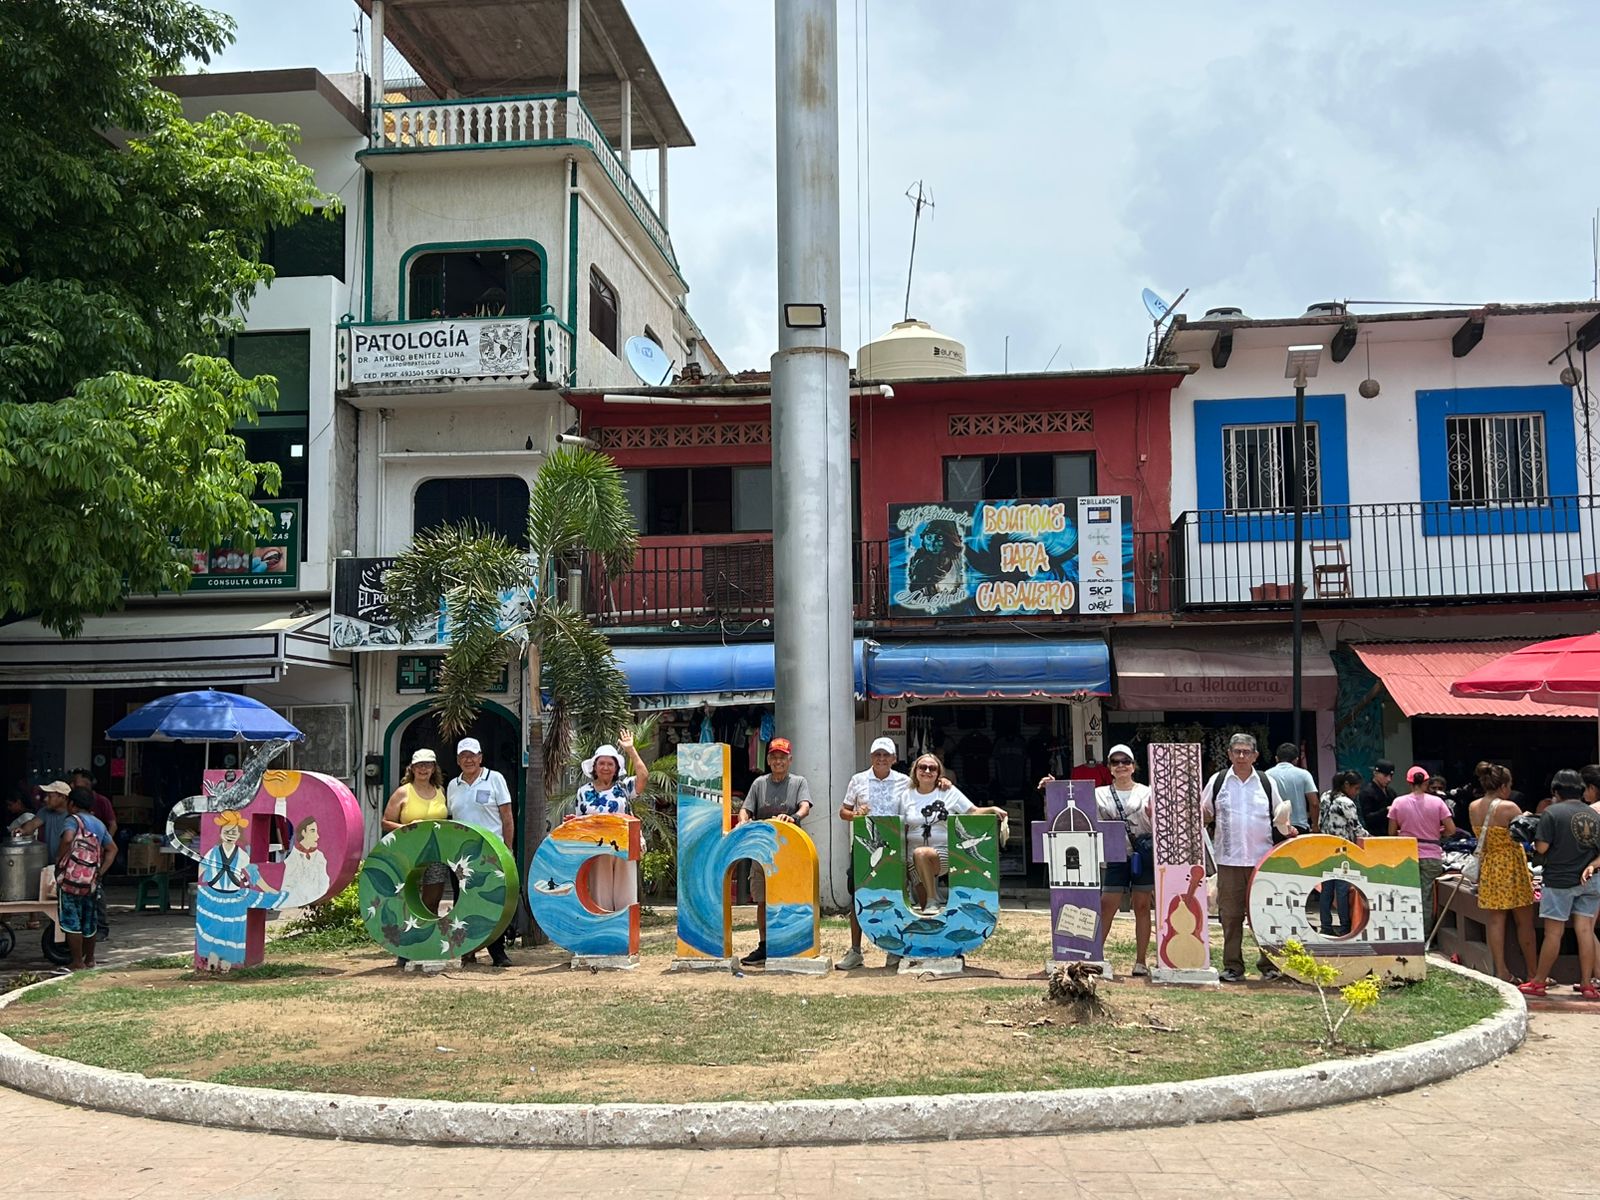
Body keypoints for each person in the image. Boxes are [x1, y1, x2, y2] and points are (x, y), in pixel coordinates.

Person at [1199, 733, 1281, 983]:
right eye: (1237, 751)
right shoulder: (1219, 781)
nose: (1242, 756)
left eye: (1247, 752)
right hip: (1229, 860)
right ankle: (1233, 966)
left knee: (1264, 914)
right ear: (1229, 754)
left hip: (1261, 861)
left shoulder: (1267, 782)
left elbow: (1279, 816)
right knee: (1231, 916)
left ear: (1256, 755)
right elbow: (1204, 814)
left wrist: (1287, 827)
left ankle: (1269, 965)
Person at [1520, 770, 1600, 999]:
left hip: (1559, 881)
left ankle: (1538, 982)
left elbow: (1542, 848)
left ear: (1556, 791)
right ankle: (1587, 984)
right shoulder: (1594, 814)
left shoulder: (1552, 813)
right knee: (1585, 930)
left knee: (1554, 934)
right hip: (1591, 881)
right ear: (1581, 790)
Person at [735, 736, 812, 966]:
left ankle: (789, 942)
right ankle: (764, 945)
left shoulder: (799, 782)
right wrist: (743, 821)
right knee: (762, 899)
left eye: (782, 757)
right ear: (768, 760)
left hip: (790, 849)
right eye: (774, 757)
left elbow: (805, 806)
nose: (778, 761)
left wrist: (794, 817)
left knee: (792, 896)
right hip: (762, 849)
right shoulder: (759, 783)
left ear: (790, 760)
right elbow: (746, 809)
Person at [837, 736, 911, 971]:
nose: (881, 759)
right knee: (858, 896)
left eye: (885, 755)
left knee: (893, 896)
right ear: (871, 757)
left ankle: (893, 949)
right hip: (863, 847)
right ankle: (855, 950)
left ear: (893, 758)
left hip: (894, 848)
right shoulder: (858, 780)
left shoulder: (904, 781)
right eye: (877, 755)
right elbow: (843, 812)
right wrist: (856, 813)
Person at [902, 751, 1005, 918]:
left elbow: (972, 811)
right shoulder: (906, 794)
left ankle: (933, 898)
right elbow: (902, 827)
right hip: (910, 859)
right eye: (922, 767)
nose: (927, 771)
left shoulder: (948, 791)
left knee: (921, 854)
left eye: (932, 768)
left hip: (940, 854)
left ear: (938, 773)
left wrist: (992, 809)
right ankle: (931, 932)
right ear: (915, 771)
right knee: (925, 912)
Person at [1086, 744, 1156, 975]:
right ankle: (1096, 956)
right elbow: (1090, 821)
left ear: (1134, 766)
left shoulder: (1147, 792)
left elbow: (1158, 825)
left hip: (1142, 854)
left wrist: (1152, 817)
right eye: (1115, 762)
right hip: (1115, 854)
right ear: (1109, 767)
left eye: (1125, 761)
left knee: (1142, 906)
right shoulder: (1099, 794)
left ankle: (1141, 961)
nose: (1121, 766)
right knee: (1107, 905)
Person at [446, 736, 514, 968]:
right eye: (464, 755)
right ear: (457, 760)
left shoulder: (494, 779)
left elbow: (507, 816)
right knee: (462, 902)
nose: (468, 759)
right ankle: (467, 949)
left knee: (492, 902)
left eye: (472, 755)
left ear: (480, 757)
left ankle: (498, 952)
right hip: (461, 856)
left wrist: (508, 848)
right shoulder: (453, 785)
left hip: (490, 852)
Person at [1468, 764, 1538, 984]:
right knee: (1524, 922)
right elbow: (1524, 834)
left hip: (1490, 865)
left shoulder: (1473, 807)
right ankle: (1533, 973)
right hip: (1512, 865)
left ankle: (1501, 971)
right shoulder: (1509, 807)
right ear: (1504, 786)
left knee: (1496, 921)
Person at [382, 748, 451, 968]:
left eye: (428, 765)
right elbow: (386, 822)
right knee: (406, 900)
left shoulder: (440, 791)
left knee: (432, 900)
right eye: (419, 765)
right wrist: (406, 827)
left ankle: (426, 942)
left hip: (436, 852)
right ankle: (404, 948)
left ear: (434, 768)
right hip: (408, 853)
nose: (423, 769)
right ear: (412, 768)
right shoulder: (403, 792)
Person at [572, 730, 649, 922]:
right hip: (596, 849)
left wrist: (630, 750)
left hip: (624, 845)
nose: (605, 768)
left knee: (626, 892)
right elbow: (581, 819)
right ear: (595, 767)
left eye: (610, 764)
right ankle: (605, 932)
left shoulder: (623, 787)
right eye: (602, 763)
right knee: (599, 892)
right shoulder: (583, 792)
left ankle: (625, 933)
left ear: (616, 769)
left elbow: (643, 776)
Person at [196, 810, 279, 972]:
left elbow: (253, 874)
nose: (230, 835)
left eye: (234, 832)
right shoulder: (213, 852)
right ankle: (212, 962)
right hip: (214, 896)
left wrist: (269, 889)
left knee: (232, 931)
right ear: (220, 833)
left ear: (238, 834)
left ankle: (228, 964)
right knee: (213, 928)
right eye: (227, 832)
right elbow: (202, 869)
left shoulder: (241, 854)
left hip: (233, 898)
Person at [53, 787, 116, 971]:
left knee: (72, 920)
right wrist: (100, 872)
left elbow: (67, 838)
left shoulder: (72, 820)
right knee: (89, 919)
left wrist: (59, 860)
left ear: (71, 804)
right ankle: (90, 959)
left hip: (70, 880)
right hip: (91, 880)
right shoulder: (99, 824)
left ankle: (77, 962)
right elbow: (113, 850)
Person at [1388, 767, 1456, 913]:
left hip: (1406, 856)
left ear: (1409, 782)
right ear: (1426, 783)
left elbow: (1391, 832)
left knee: (1405, 896)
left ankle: (1408, 932)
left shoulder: (1398, 802)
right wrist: (1438, 833)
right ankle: (1426, 934)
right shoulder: (1437, 802)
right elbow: (1451, 829)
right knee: (1427, 898)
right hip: (1432, 856)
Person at [1317, 770, 1366, 935]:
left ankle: (1326, 926)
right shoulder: (1346, 802)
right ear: (1347, 785)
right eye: (1356, 788)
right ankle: (1345, 926)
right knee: (1342, 889)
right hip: (1342, 849)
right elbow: (1355, 826)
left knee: (1326, 889)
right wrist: (1372, 838)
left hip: (1325, 847)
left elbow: (1319, 821)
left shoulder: (1325, 797)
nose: (1356, 792)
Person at [1264, 743, 1318, 835]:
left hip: (1277, 827)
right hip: (1300, 827)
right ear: (1296, 760)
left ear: (1276, 758)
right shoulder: (1304, 774)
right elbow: (1314, 803)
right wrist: (1315, 825)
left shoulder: (1267, 775)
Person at [277, 816, 330, 908]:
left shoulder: (320, 857)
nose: (317, 836)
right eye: (312, 831)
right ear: (303, 833)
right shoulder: (293, 858)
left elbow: (324, 883)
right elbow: (287, 886)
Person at [1357, 760, 1397, 837]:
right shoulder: (1367, 792)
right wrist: (1386, 810)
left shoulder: (1391, 792)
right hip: (1374, 835)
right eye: (1385, 776)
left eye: (1390, 776)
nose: (1389, 779)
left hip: (1390, 834)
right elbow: (1367, 818)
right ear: (1375, 773)